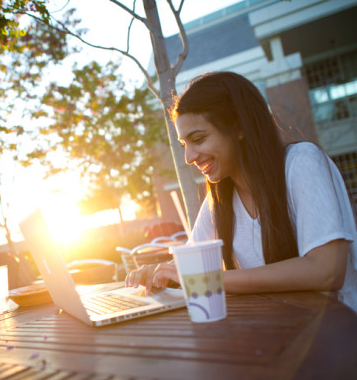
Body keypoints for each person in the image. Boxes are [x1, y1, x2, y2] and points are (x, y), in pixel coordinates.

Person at [126, 71, 357, 313]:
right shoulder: (219, 199)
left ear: (238, 127)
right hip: (275, 331)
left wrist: (208, 279)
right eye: (185, 144)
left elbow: (326, 271)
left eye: (199, 139)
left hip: (336, 332)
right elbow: (188, 267)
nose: (189, 157)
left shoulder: (302, 162)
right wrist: (157, 273)